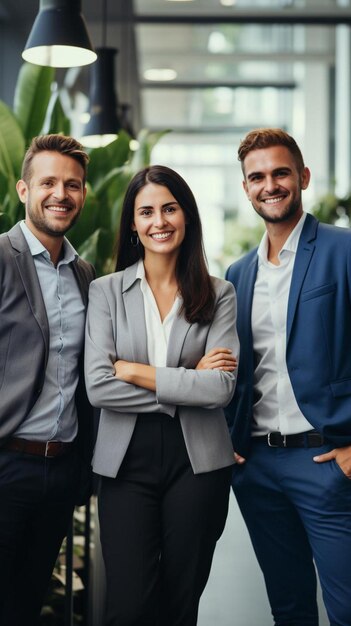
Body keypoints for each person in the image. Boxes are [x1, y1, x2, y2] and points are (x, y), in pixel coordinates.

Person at [85, 164, 239, 626]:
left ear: (186, 215)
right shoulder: (105, 292)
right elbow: (98, 385)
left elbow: (221, 387)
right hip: (124, 460)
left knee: (180, 602)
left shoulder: (219, 294)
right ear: (132, 223)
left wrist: (136, 371)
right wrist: (184, 381)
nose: (160, 221)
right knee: (128, 606)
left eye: (169, 208)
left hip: (198, 463)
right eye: (146, 211)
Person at [225, 127, 351, 626]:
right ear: (245, 187)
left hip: (328, 461)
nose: (269, 185)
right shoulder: (238, 275)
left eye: (280, 173)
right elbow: (237, 370)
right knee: (289, 608)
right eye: (257, 177)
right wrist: (231, 442)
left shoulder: (343, 251)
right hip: (258, 468)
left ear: (302, 177)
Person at [0, 134, 95, 626]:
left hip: (59, 471)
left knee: (27, 602)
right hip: (6, 464)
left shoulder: (83, 273)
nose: (61, 194)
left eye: (72, 184)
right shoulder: (1, 257)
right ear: (23, 190)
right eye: (49, 182)